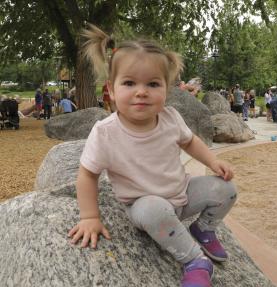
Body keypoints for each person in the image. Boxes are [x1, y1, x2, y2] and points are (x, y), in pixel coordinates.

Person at [68, 24, 237, 287]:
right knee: (153, 210)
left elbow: (190, 142)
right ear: (111, 90)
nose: (141, 91)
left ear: (166, 90)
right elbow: (87, 174)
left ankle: (203, 229)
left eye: (153, 83)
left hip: (182, 195)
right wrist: (90, 216)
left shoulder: (170, 117)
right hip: (144, 205)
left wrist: (213, 162)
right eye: (129, 83)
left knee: (226, 189)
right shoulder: (106, 132)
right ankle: (194, 261)